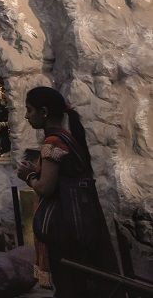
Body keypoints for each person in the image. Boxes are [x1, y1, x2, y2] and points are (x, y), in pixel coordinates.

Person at [17, 86, 117, 296]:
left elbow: (46, 187)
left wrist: (28, 176)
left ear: (44, 112)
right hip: (81, 220)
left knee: (69, 283)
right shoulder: (67, 137)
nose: (26, 116)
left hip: (66, 226)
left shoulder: (52, 143)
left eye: (29, 110)